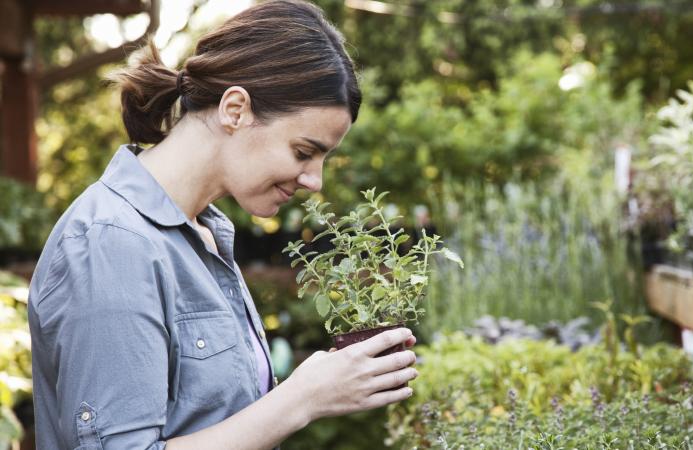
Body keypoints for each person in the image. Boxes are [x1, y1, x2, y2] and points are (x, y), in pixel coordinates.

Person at [26, 1, 419, 448]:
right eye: (303, 151)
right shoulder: (114, 243)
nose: (315, 180)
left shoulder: (205, 236)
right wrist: (302, 398)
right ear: (235, 109)